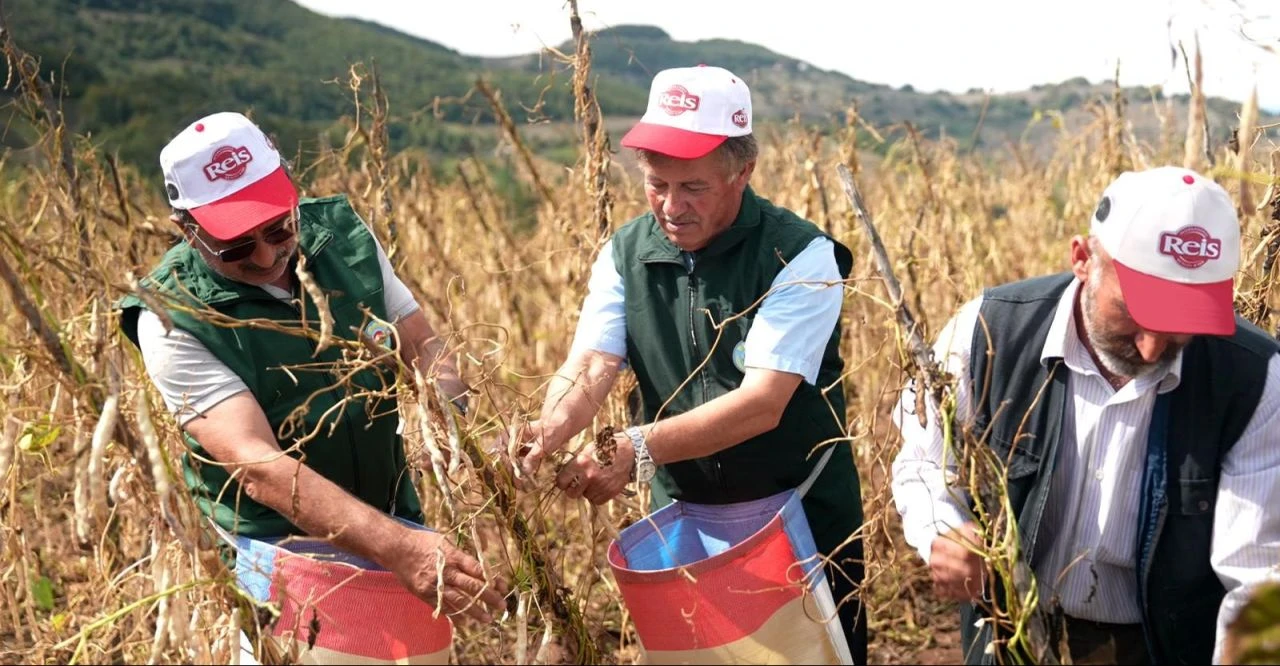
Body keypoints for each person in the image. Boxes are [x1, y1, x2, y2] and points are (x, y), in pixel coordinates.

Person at [511, 65, 867, 663]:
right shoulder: (629, 252)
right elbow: (595, 360)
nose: (671, 207)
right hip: (687, 519)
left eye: (694, 188)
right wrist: (548, 430)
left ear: (742, 170)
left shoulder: (800, 256)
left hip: (796, 520)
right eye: (656, 185)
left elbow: (762, 403)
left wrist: (634, 450)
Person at [117, 112, 508, 633]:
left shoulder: (344, 237)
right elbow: (259, 466)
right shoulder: (168, 317)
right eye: (234, 245)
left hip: (391, 515)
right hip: (275, 548)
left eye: (279, 227)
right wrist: (398, 547)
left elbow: (424, 346)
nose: (265, 257)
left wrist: (457, 426)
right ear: (185, 229)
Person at [891, 166, 1280, 664]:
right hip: (1013, 633)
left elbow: (1260, 578)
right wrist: (942, 530)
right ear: (1083, 259)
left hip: (1166, 646)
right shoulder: (989, 332)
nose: (1153, 345)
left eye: (1183, 324)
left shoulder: (1254, 379)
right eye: (1136, 312)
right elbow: (922, 463)